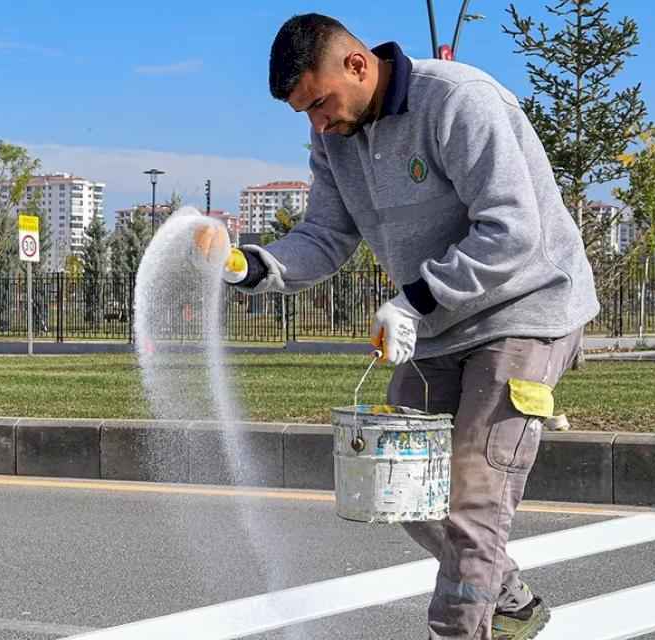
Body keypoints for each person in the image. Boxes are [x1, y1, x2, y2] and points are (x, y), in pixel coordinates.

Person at [193, 13, 598, 640]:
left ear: (356, 64)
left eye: (320, 103)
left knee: (472, 501)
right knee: (403, 485)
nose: (317, 124)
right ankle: (508, 598)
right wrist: (249, 265)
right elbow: (326, 236)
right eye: (305, 113)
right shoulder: (335, 139)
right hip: (437, 326)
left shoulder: (459, 101)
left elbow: (513, 231)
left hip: (525, 312)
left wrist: (413, 299)